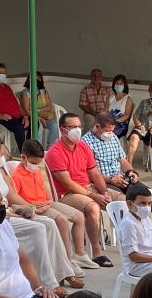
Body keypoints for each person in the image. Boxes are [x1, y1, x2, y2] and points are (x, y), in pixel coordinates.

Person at [0, 136, 83, 290]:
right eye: (0, 155)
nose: (3, 158)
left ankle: (64, 272)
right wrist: (13, 212)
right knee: (39, 228)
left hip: (10, 211)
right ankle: (48, 281)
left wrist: (31, 207)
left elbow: (12, 196)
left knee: (50, 223)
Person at [46, 113, 114, 267]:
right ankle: (97, 253)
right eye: (72, 127)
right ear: (63, 130)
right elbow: (68, 183)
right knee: (93, 207)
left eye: (78, 126)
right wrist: (94, 196)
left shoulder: (83, 146)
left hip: (89, 187)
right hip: (68, 194)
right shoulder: (55, 152)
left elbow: (94, 173)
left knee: (125, 200)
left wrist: (104, 192)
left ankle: (135, 248)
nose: (77, 130)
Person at [13, 138, 90, 271]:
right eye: (33, 163)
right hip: (35, 207)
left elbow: (46, 190)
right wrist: (35, 208)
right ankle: (67, 259)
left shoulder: (36, 170)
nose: (36, 166)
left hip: (47, 204)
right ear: (23, 157)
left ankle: (80, 254)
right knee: (62, 220)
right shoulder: (16, 175)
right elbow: (16, 199)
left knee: (79, 216)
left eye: (38, 163)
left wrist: (49, 201)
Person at [83, 114, 137, 196]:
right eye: (107, 131)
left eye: (112, 131)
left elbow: (123, 161)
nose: (110, 134)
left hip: (120, 178)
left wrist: (131, 172)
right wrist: (111, 180)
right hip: (103, 182)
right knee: (124, 199)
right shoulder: (85, 142)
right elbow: (90, 173)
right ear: (97, 127)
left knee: (144, 193)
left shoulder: (113, 137)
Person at [0, 64, 26, 146]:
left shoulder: (7, 88)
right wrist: (1, 116)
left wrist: (25, 116)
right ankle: (24, 153)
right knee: (19, 128)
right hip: (3, 118)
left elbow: (16, 104)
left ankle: (30, 149)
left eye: (4, 73)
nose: (2, 75)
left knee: (34, 123)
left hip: (17, 116)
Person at [20, 72, 58, 146]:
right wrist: (38, 117)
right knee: (39, 126)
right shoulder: (25, 93)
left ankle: (51, 148)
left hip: (45, 116)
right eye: (35, 78)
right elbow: (27, 110)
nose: (37, 80)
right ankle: (38, 148)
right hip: (32, 117)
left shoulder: (43, 91)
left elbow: (50, 106)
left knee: (55, 125)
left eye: (39, 78)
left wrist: (39, 110)